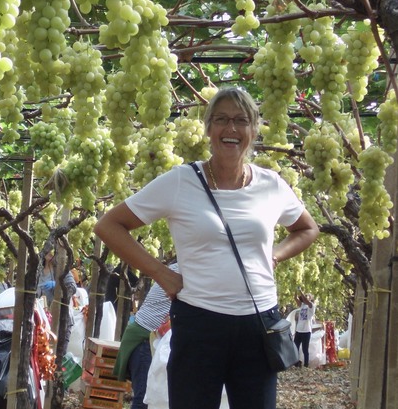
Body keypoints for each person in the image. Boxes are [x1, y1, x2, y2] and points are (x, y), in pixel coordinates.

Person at [94, 87, 319, 409]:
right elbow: (109, 226)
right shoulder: (181, 181)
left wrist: (275, 255)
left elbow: (307, 228)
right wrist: (161, 273)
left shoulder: (271, 184)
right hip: (199, 323)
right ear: (208, 128)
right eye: (221, 119)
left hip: (259, 324)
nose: (231, 128)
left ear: (254, 130)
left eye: (241, 120)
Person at [114, 263, 178, 409]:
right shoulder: (184, 274)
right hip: (144, 340)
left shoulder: (176, 269)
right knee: (144, 400)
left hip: (145, 338)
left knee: (147, 398)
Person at [294, 288, 316, 368]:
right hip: (299, 330)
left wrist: (300, 291)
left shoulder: (311, 306)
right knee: (295, 347)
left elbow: (305, 300)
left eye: (308, 296)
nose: (305, 296)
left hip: (306, 331)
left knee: (305, 349)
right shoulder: (302, 305)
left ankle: (306, 365)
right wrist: (295, 290)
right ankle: (297, 363)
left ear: (310, 298)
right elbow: (295, 298)